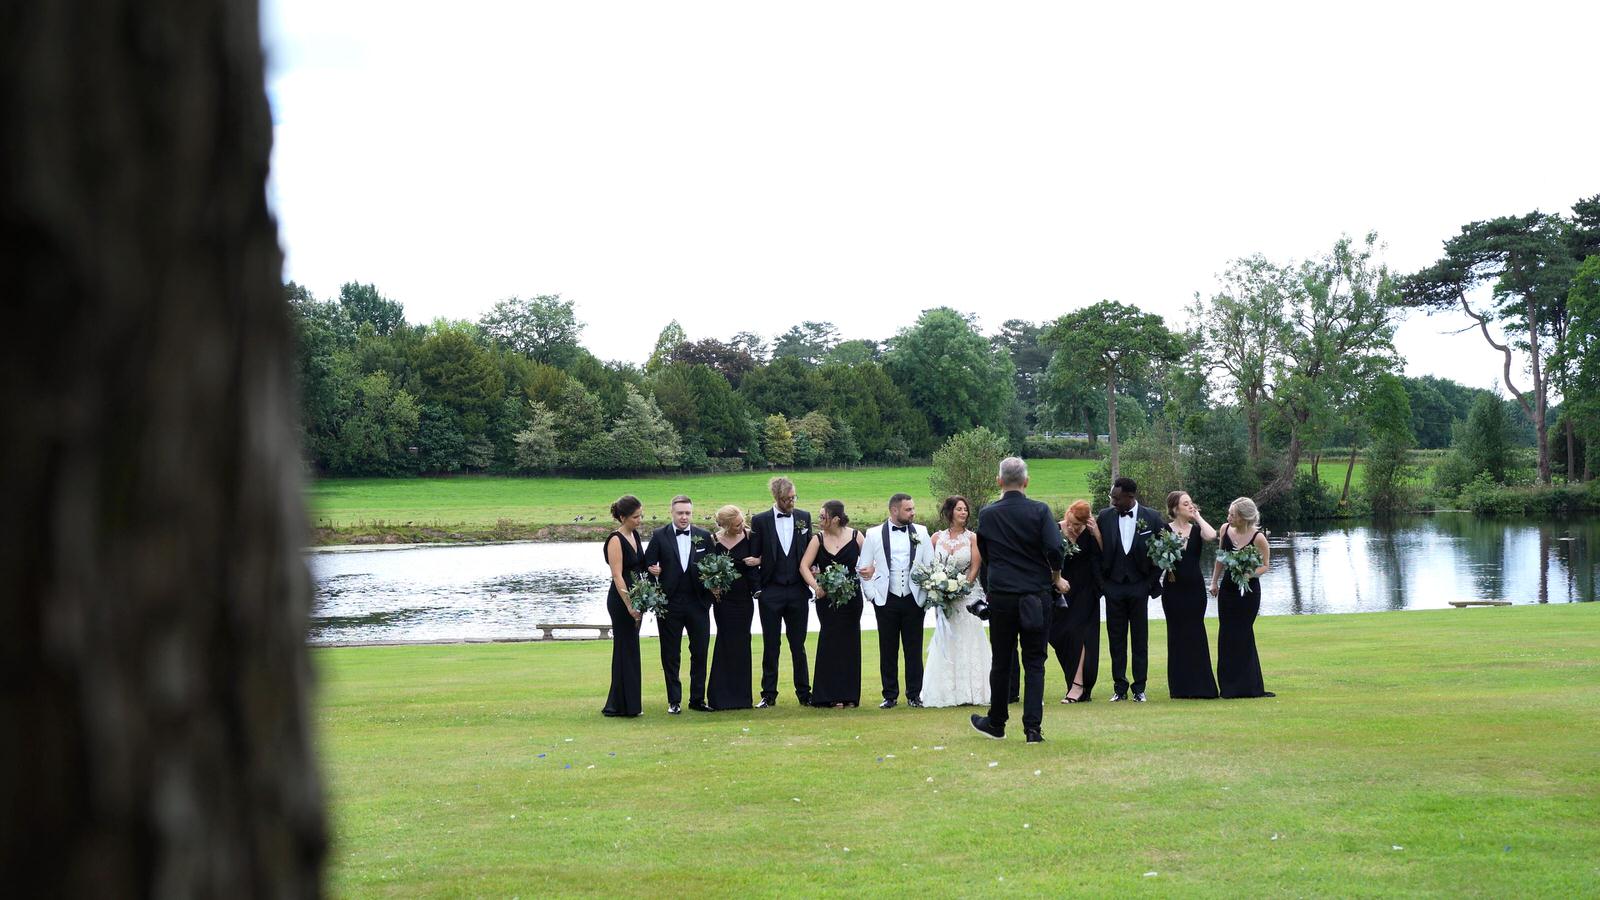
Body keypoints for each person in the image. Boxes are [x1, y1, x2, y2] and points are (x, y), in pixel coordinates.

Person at [970, 458, 1068, 743]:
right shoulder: (1040, 510)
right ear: (1026, 481)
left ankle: (997, 722)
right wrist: (1056, 576)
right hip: (1035, 595)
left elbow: (985, 551)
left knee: (1002, 660)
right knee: (1035, 661)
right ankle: (1033, 729)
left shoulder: (988, 514)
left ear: (999, 481)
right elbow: (1055, 548)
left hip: (1002, 595)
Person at [856, 493, 934, 709]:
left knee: (914, 649)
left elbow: (930, 564)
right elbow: (863, 567)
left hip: (914, 598)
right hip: (886, 599)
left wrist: (926, 596)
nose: (913, 512)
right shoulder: (873, 534)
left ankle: (914, 695)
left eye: (913, 508)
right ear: (894, 511)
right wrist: (872, 596)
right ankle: (890, 695)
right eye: (908, 509)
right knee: (888, 649)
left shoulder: (921, 532)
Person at [1096, 476, 1166, 702]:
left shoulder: (1152, 517)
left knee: (1139, 639)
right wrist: (1103, 585)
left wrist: (1149, 583)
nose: (1113, 502)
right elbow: (1095, 553)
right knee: (1115, 639)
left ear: (1130, 496)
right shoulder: (1105, 517)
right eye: (1112, 497)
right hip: (1113, 587)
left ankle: (1139, 688)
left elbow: (1164, 551)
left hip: (1139, 586)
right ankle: (1119, 688)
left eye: (1116, 498)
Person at [643, 495, 714, 714]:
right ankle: (674, 701)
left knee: (700, 652)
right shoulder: (659, 535)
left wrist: (709, 598)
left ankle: (697, 699)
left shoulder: (704, 536)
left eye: (687, 513)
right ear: (672, 513)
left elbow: (714, 566)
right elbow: (647, 564)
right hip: (669, 604)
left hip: (698, 603)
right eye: (680, 513)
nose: (684, 517)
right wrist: (653, 570)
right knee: (670, 654)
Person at [921, 496, 993, 708]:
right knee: (946, 639)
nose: (963, 513)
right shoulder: (936, 538)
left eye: (965, 509)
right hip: (944, 599)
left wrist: (961, 588)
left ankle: (972, 691)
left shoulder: (972, 538)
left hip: (966, 597)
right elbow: (929, 566)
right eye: (959, 509)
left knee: (969, 638)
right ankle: (946, 692)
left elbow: (975, 567)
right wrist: (938, 588)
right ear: (950, 511)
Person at [748, 477, 812, 707]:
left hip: (798, 590)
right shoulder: (760, 520)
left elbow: (810, 552)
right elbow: (753, 557)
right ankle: (768, 694)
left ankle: (804, 694)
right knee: (771, 645)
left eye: (794, 497)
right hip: (771, 591)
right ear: (777, 497)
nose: (792, 502)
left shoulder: (804, 517)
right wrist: (758, 590)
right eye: (787, 499)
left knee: (798, 645)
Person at [799, 500, 865, 708]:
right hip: (827, 600)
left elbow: (870, 562)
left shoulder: (856, 536)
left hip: (851, 599)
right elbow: (804, 566)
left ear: (835, 519)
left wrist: (869, 571)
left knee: (850, 643)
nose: (819, 520)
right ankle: (827, 695)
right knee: (829, 642)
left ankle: (849, 695)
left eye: (822, 517)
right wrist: (816, 587)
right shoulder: (817, 539)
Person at [1212, 497, 1275, 699]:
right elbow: (1220, 558)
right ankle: (1228, 687)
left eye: (1232, 514)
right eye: (1229, 513)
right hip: (1228, 590)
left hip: (1249, 592)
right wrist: (1214, 582)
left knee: (1243, 634)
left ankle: (1249, 687)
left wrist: (1250, 574)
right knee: (1227, 635)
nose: (1228, 517)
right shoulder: (1224, 530)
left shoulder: (1258, 538)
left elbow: (1265, 566)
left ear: (1244, 517)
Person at [1162, 491, 1219, 699]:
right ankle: (1180, 687)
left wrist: (1198, 517)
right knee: (1177, 635)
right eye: (1185, 504)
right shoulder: (1164, 530)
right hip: (1173, 589)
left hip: (1195, 589)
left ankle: (1202, 686)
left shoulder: (1196, 530)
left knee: (1196, 633)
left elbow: (1212, 535)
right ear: (1175, 508)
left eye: (1191, 503)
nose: (1190, 506)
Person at [705, 505, 758, 711]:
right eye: (736, 525)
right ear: (725, 525)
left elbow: (766, 557)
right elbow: (707, 567)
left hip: (744, 599)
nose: (741, 526)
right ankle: (720, 697)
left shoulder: (750, 537)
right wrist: (713, 586)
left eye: (742, 522)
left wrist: (758, 560)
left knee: (743, 642)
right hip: (723, 600)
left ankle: (742, 698)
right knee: (725, 641)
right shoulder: (714, 540)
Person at [1051, 500, 1102, 703]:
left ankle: (1078, 686)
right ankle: (1073, 682)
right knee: (1059, 634)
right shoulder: (1056, 529)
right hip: (1061, 591)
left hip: (1086, 592)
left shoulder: (1091, 532)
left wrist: (1096, 533)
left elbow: (1104, 556)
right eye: (1071, 522)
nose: (1073, 528)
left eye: (1078, 525)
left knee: (1079, 635)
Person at [601, 495, 646, 718]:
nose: (639, 520)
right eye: (636, 517)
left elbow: (640, 566)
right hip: (621, 600)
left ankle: (630, 703)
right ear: (622, 517)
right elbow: (617, 575)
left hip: (637, 596)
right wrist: (629, 605)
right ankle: (620, 705)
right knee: (624, 648)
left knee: (631, 648)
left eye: (641, 516)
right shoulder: (615, 540)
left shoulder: (634, 535)